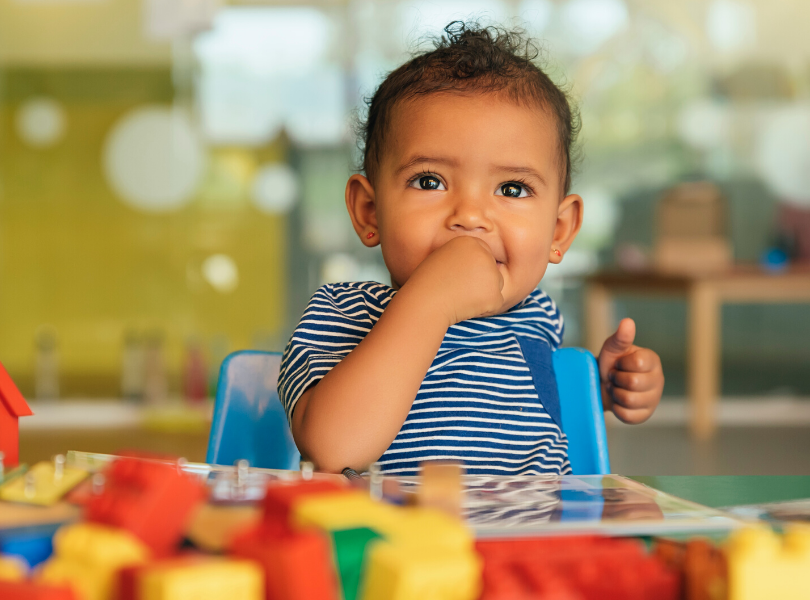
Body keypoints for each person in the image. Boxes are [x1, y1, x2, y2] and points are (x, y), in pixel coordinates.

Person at [277, 22, 664, 475]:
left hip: (526, 540)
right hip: (391, 541)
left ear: (559, 231)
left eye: (513, 188)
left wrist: (597, 389)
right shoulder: (342, 313)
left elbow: (525, 416)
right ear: (369, 211)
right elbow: (333, 448)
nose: (471, 216)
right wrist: (432, 300)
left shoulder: (537, 318)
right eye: (429, 181)